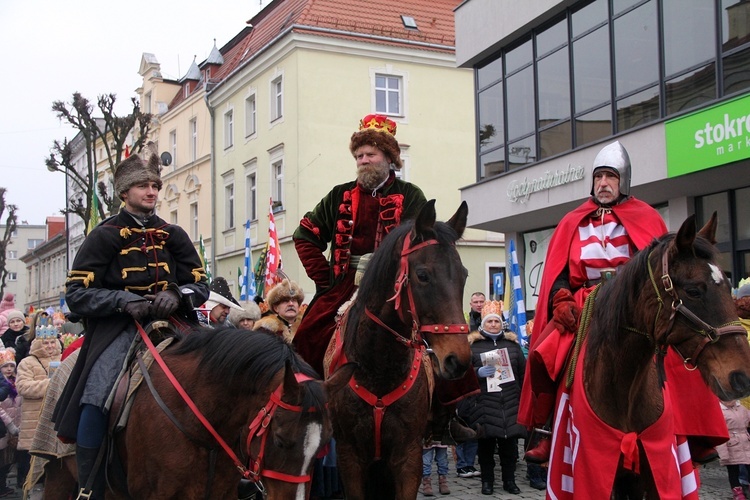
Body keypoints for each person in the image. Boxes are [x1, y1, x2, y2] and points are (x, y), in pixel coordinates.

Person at [519, 140, 727, 466]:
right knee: (544, 354)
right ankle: (546, 430)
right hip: (586, 302)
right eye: (599, 177)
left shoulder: (645, 217)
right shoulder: (573, 220)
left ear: (623, 180)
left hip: (635, 299)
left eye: (610, 177)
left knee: (677, 348)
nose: (603, 184)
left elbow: (662, 266)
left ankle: (693, 431)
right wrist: (560, 300)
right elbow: (558, 272)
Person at [51, 151, 209, 500]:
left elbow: (200, 284)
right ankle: (89, 484)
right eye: (142, 185)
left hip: (175, 323)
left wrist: (176, 293)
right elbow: (77, 294)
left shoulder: (174, 234)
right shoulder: (103, 235)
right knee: (97, 394)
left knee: (226, 371)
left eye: (154, 185)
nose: (151, 191)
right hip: (119, 329)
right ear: (125, 192)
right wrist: (122, 301)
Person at [292, 113, 427, 376]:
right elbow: (305, 235)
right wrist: (326, 279)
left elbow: (422, 245)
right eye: (359, 156)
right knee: (308, 335)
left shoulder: (411, 195)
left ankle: (447, 410)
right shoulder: (340, 194)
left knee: (438, 335)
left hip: (396, 285)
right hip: (345, 286)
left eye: (370, 154)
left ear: (388, 158)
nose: (363, 161)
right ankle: (307, 402)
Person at [458, 300, 526, 495]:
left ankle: (509, 481)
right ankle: (487, 482)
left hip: (510, 403)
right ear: (483, 324)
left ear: (501, 323)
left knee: (510, 449)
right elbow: (463, 375)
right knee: (485, 448)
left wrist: (520, 396)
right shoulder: (473, 347)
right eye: (490, 322)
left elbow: (523, 373)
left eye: (496, 321)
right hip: (484, 404)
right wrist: (477, 372)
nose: (493, 325)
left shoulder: (512, 346)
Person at [16, 322, 61, 494]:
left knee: (57, 467)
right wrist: (51, 385)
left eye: (52, 342)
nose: (49, 346)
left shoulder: (64, 358)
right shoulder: (27, 362)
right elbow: (23, 387)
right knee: (35, 469)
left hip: (56, 419)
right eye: (45, 343)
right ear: (37, 344)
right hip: (34, 421)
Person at [717, 398, 750, 500]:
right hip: (730, 444)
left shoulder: (741, 408)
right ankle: (737, 491)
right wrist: (723, 454)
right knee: (733, 470)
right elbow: (719, 434)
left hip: (745, 442)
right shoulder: (720, 411)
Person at [0, 348, 20, 498]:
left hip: (15, 426)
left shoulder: (18, 381)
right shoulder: (3, 384)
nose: (8, 369)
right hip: (5, 426)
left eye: (11, 366)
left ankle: (5, 486)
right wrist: (11, 425)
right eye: (5, 366)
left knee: (8, 460)